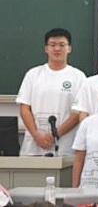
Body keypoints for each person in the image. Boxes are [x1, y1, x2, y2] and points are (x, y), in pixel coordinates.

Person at [17, 28, 87, 156]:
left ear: (69, 48)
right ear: (46, 48)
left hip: (65, 146)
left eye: (62, 45)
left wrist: (57, 133)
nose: (57, 49)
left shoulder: (78, 76)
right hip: (34, 145)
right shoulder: (33, 74)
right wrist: (36, 136)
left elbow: (79, 112)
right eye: (53, 45)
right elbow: (24, 108)